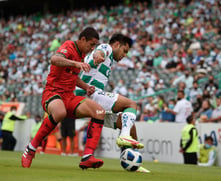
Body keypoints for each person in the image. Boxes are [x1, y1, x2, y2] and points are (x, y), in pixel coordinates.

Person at [21, 27, 107, 169]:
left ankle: (87, 156)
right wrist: (75, 63)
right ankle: (31, 148)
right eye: (91, 44)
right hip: (52, 93)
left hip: (69, 97)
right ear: (82, 39)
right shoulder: (69, 46)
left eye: (95, 46)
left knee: (99, 112)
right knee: (60, 112)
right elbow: (54, 59)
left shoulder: (81, 55)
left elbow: (72, 75)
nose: (92, 49)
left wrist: (86, 87)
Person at [75, 33, 147, 172]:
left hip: (91, 101)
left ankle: (132, 162)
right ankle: (124, 136)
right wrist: (97, 55)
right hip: (89, 94)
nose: (125, 55)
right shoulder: (106, 47)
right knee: (131, 104)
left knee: (129, 124)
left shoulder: (109, 59)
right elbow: (100, 50)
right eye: (124, 50)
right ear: (116, 45)